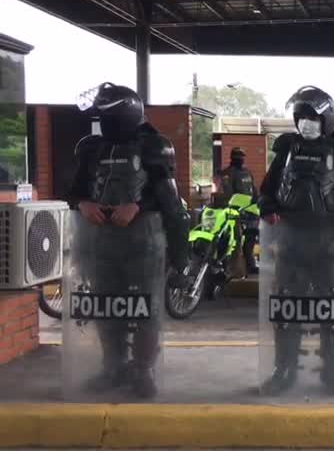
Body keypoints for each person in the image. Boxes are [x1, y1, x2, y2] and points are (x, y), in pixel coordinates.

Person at [66, 82, 190, 398]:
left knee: (144, 308)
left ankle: (143, 368)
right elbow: (74, 190)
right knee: (107, 308)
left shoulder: (153, 146)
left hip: (144, 246)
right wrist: (83, 202)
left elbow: (171, 204)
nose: (103, 123)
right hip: (100, 245)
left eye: (109, 116)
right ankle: (113, 366)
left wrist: (180, 257)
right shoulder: (91, 148)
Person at [257, 86, 334, 395]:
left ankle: (333, 370)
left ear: (326, 119)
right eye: (301, 117)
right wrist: (268, 210)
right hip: (290, 244)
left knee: (332, 310)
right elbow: (266, 191)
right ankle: (284, 369)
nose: (305, 123)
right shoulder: (286, 149)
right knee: (286, 310)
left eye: (312, 117)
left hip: (329, 245)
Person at [218, 147, 259, 274]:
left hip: (250, 211)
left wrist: (257, 201)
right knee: (235, 241)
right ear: (232, 157)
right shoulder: (227, 173)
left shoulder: (247, 172)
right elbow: (228, 193)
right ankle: (232, 268)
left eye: (242, 156)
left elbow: (253, 189)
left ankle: (250, 264)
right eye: (237, 156)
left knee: (250, 239)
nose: (240, 159)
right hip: (235, 212)